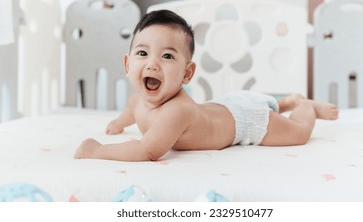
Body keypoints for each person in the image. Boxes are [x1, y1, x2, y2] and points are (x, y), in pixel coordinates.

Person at [74, 10, 338, 162]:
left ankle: (305, 106)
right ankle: (286, 101)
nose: (152, 64)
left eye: (167, 56)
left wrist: (97, 150)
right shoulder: (138, 99)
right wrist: (121, 123)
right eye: (142, 54)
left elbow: (148, 150)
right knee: (268, 105)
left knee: (299, 132)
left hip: (248, 121)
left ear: (187, 72)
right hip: (227, 105)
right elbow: (132, 110)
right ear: (127, 64)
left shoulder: (176, 112)